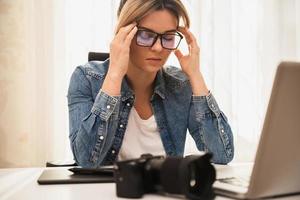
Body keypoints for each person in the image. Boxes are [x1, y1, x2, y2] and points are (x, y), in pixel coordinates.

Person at [67, 0, 234, 168]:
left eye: (168, 37)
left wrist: (195, 76)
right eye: (146, 35)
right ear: (125, 34)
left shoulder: (181, 85)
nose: (158, 48)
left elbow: (222, 154)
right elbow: (87, 160)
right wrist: (114, 75)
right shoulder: (86, 78)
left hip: (165, 193)